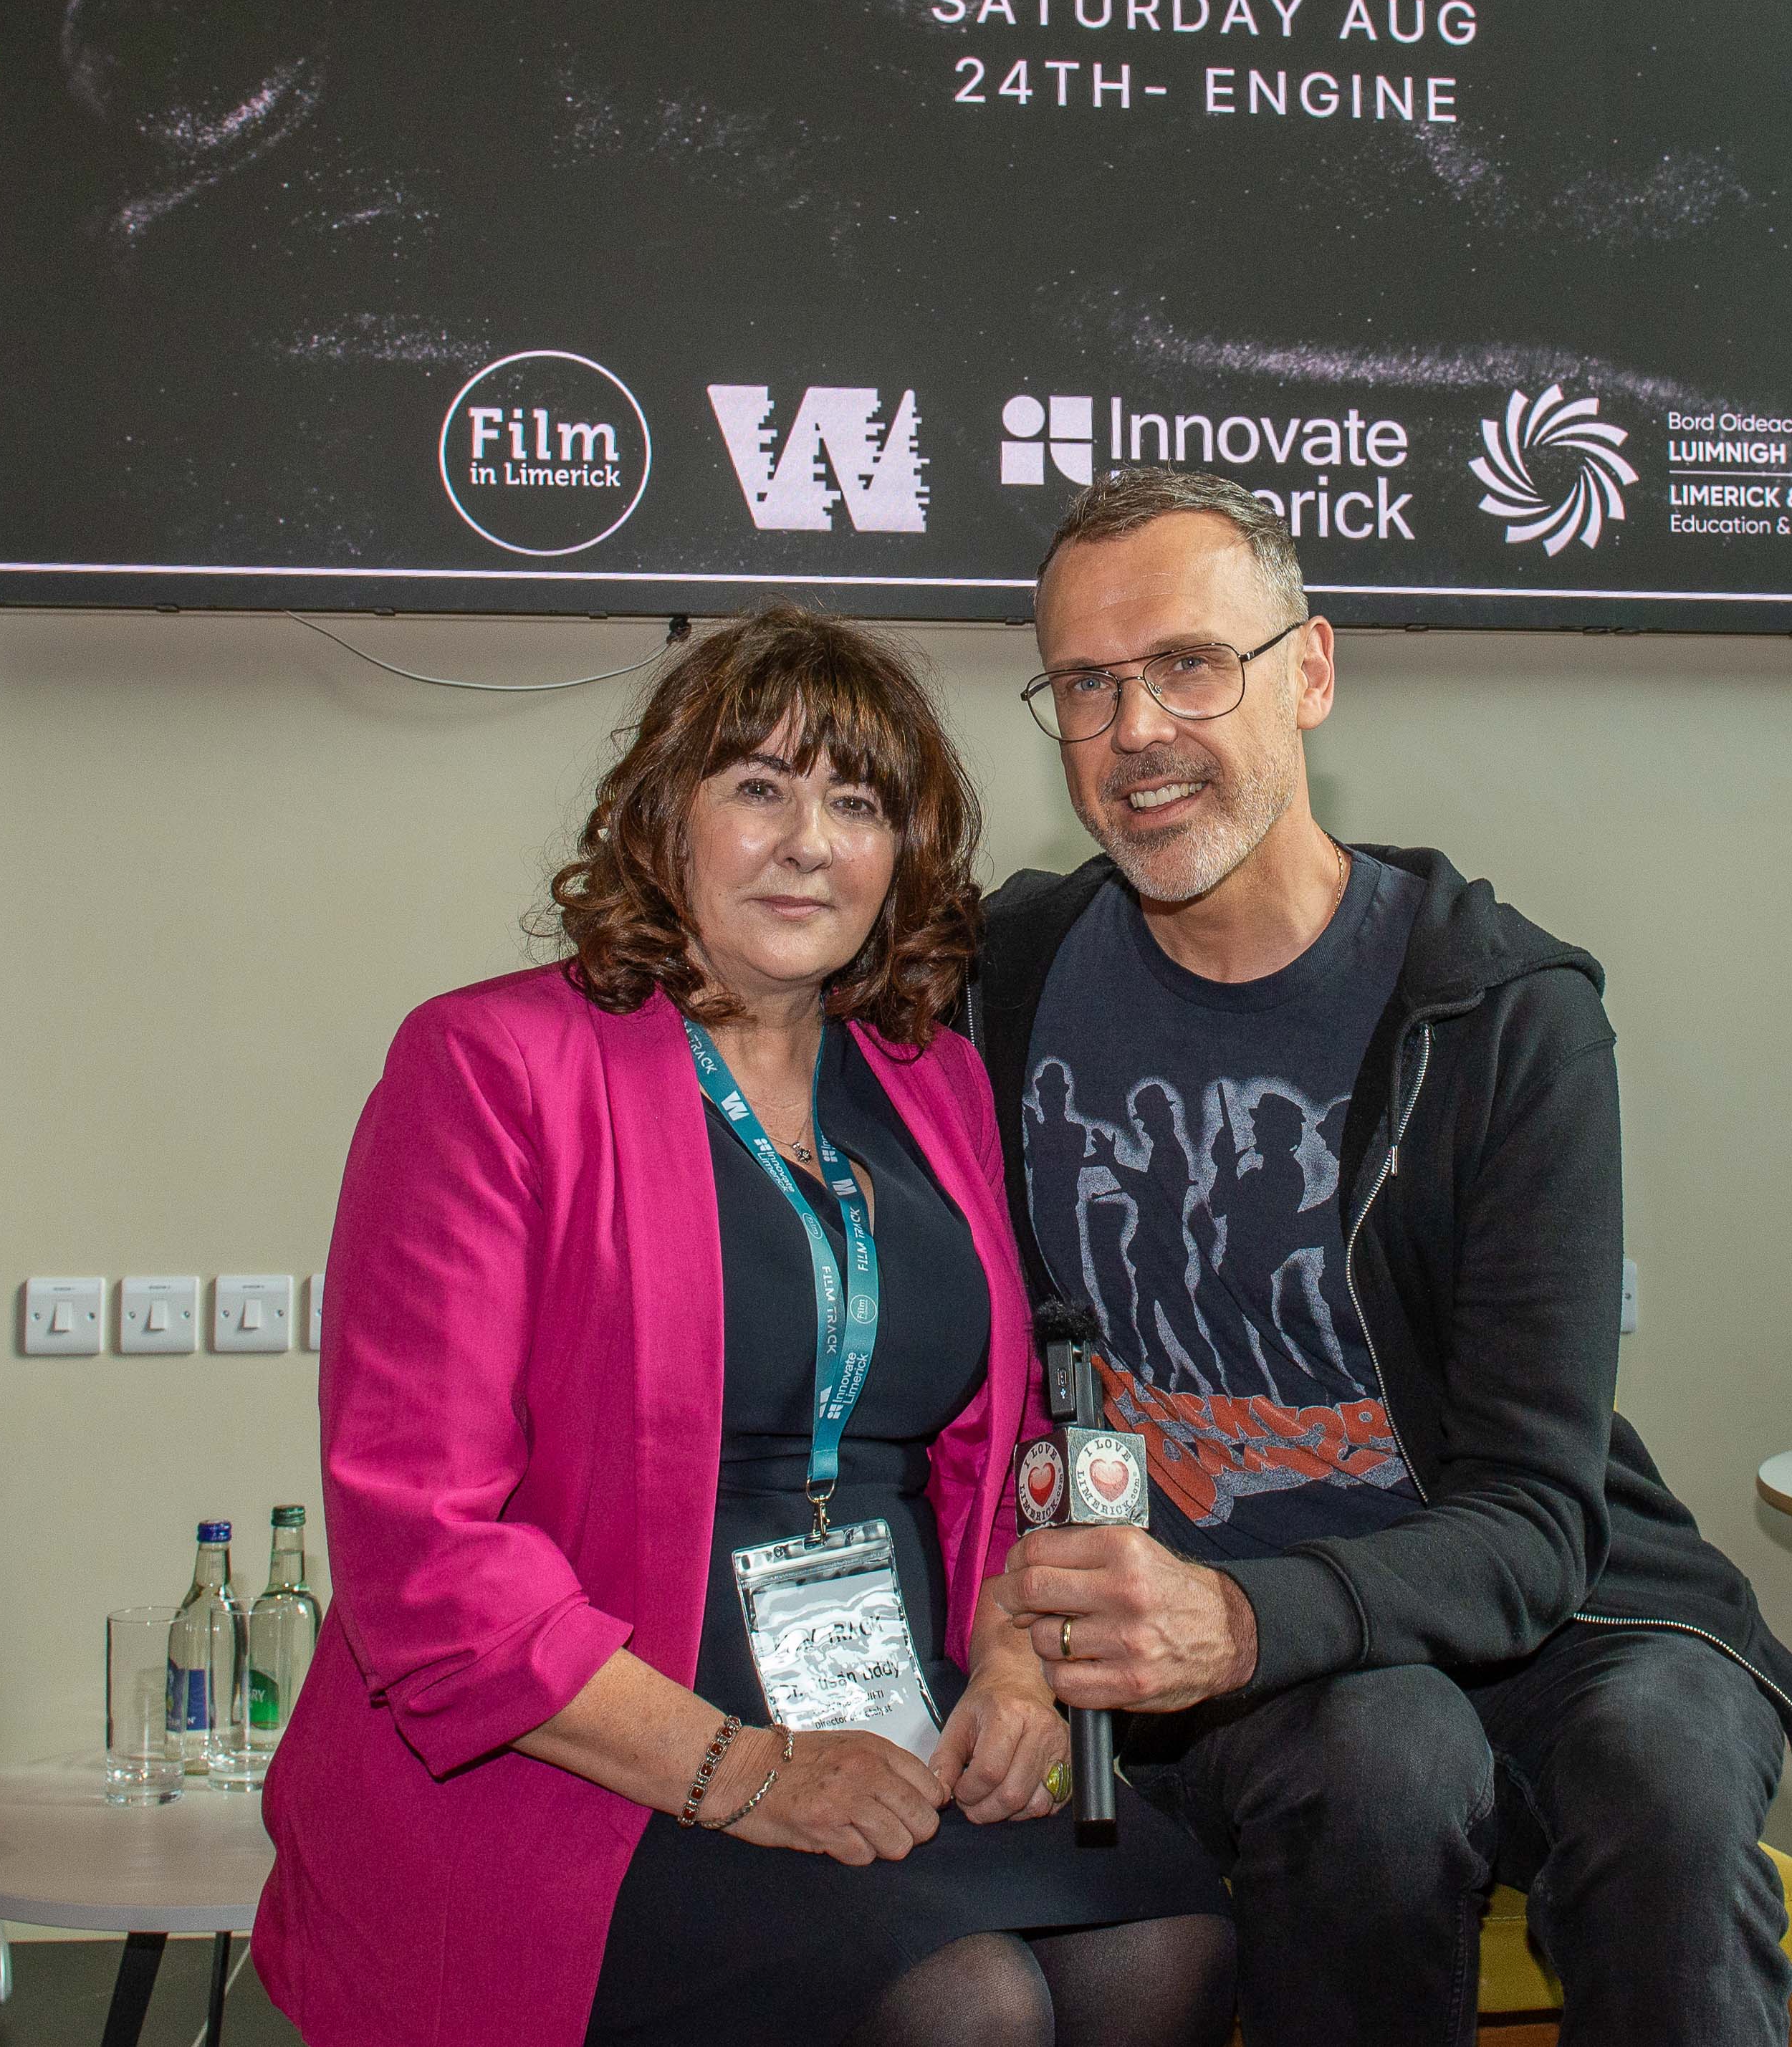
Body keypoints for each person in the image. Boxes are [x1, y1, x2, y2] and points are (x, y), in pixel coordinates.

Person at [257, 605, 1233, 2047]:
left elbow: (1005, 1443)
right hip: (595, 1749)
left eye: (859, 804)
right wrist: (745, 1770)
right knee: (966, 2002)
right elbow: (424, 1546)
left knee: (1163, 1939)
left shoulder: (932, 1080)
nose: (809, 844)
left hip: (896, 1711)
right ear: (666, 819)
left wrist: (1019, 1662)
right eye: (760, 787)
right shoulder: (489, 1066)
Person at [966, 472, 1792, 2047]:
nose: (1137, 729)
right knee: (1380, 1758)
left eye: (1189, 664)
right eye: (1085, 685)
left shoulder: (1502, 1017)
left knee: (1666, 1787)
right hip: (1243, 1657)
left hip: (1554, 1613)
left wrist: (1240, 1621)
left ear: (1310, 670)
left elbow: (1537, 1516)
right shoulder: (1002, 981)